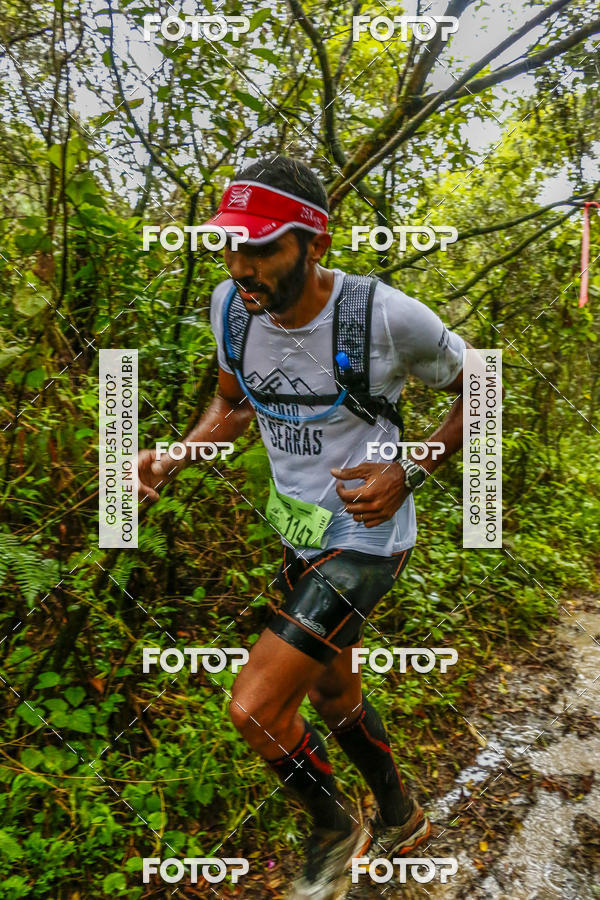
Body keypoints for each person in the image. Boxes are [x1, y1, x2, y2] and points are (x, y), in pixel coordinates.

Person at [137, 156, 475, 900]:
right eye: (231, 246)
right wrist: (174, 456)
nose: (242, 266)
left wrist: (409, 470)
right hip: (301, 531)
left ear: (314, 243)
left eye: (262, 249)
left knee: (255, 708)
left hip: (366, 539)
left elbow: (486, 386)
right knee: (331, 692)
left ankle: (332, 829)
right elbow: (234, 406)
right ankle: (401, 814)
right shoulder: (232, 307)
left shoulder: (384, 315)